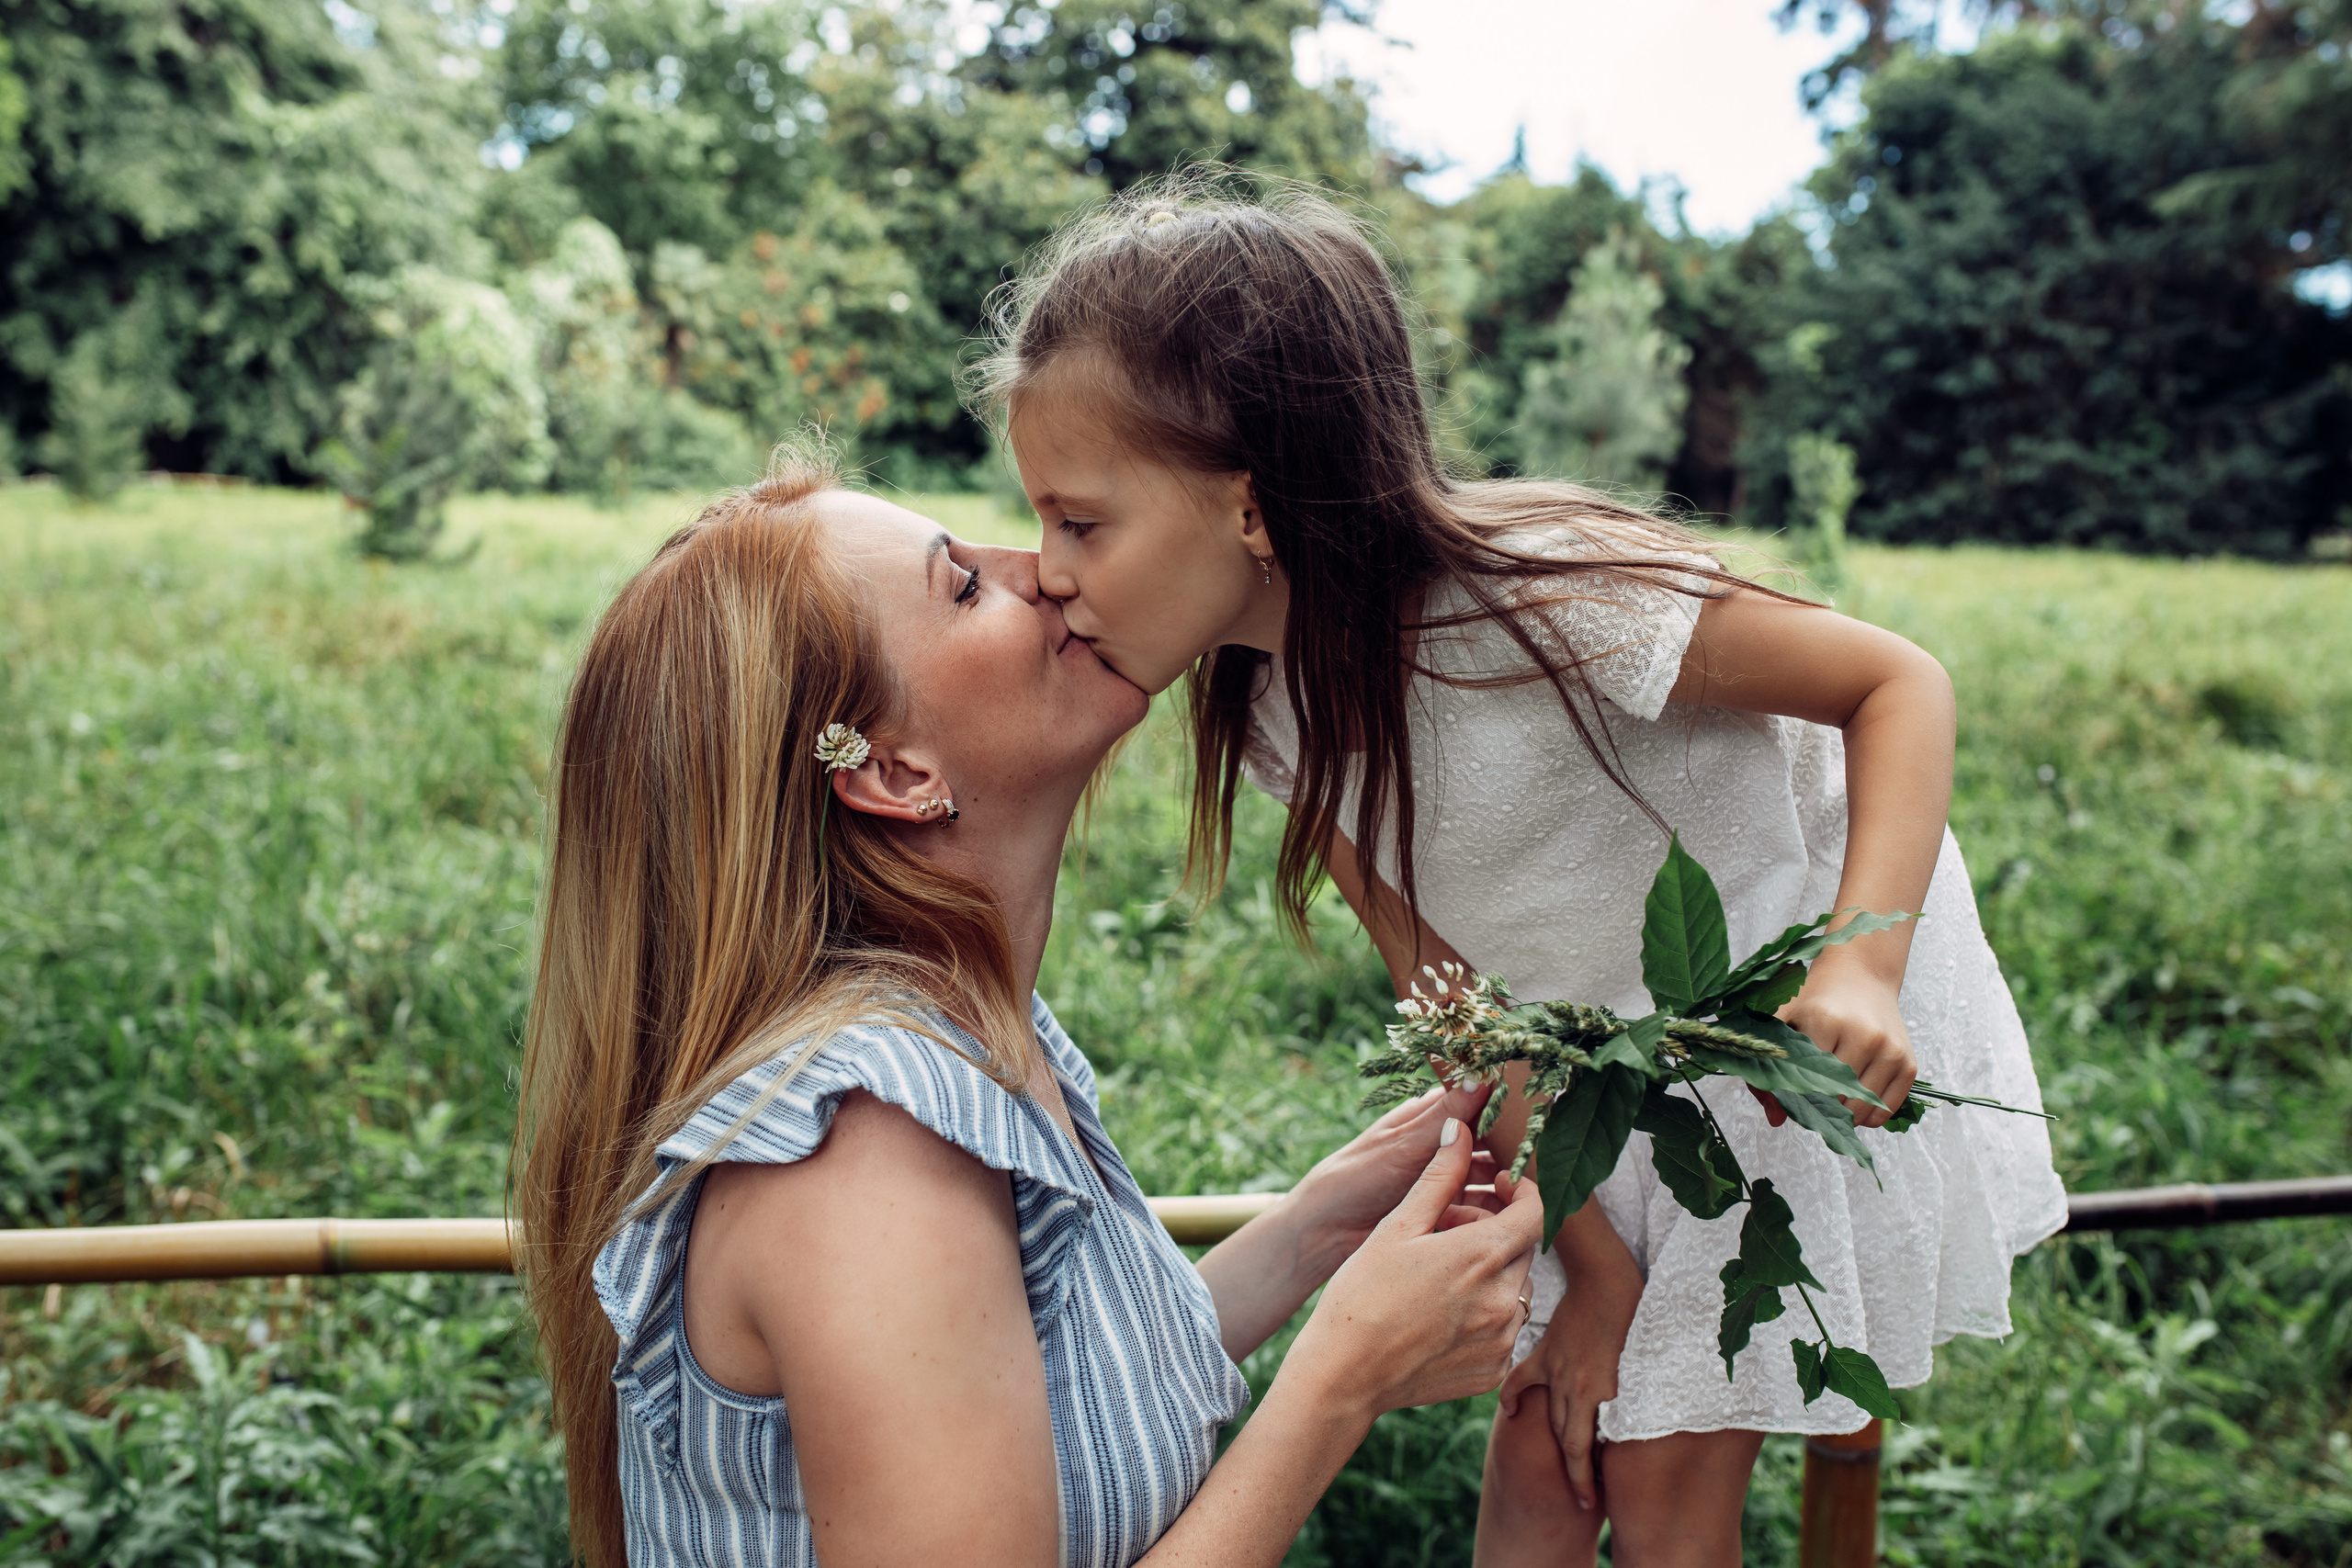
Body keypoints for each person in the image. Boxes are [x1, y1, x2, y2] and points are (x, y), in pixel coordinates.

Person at [974, 173, 2067, 1568]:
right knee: (1548, 1459)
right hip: (1586, 1069)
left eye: (1079, 521)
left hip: (1778, 1027)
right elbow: (1461, 1012)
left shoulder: (1549, 594)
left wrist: (1866, 961)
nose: (1044, 567)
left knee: (1667, 1492)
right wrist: (1593, 1272)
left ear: (1247, 504)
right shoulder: (1274, 710)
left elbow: (1896, 683)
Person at [511, 449, 1545, 1568]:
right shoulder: (859, 1156)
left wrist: (1311, 1234)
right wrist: (1344, 1380)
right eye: (960, 584)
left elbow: (1040, 1403)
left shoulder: (964, 1040)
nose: (1043, 571)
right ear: (895, 774)